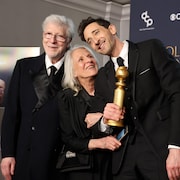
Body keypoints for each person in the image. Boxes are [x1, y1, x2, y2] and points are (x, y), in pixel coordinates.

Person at [78, 17, 180, 180]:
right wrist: (105, 120)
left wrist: (176, 147)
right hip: (124, 161)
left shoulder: (150, 49)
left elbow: (177, 94)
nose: (95, 42)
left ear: (112, 29)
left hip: (161, 151)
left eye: (96, 33)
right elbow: (97, 124)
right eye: (90, 41)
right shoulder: (102, 77)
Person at [0, 14, 75, 180]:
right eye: (48, 34)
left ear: (68, 41)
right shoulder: (23, 66)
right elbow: (12, 114)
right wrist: (7, 154)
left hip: (59, 160)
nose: (52, 40)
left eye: (59, 36)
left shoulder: (75, 72)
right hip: (24, 154)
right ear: (43, 36)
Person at [57, 45, 121, 180]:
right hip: (82, 169)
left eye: (90, 56)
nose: (89, 60)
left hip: (114, 166)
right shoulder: (66, 98)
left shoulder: (111, 91)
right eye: (81, 59)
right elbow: (68, 139)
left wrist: (102, 117)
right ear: (73, 71)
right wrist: (101, 143)